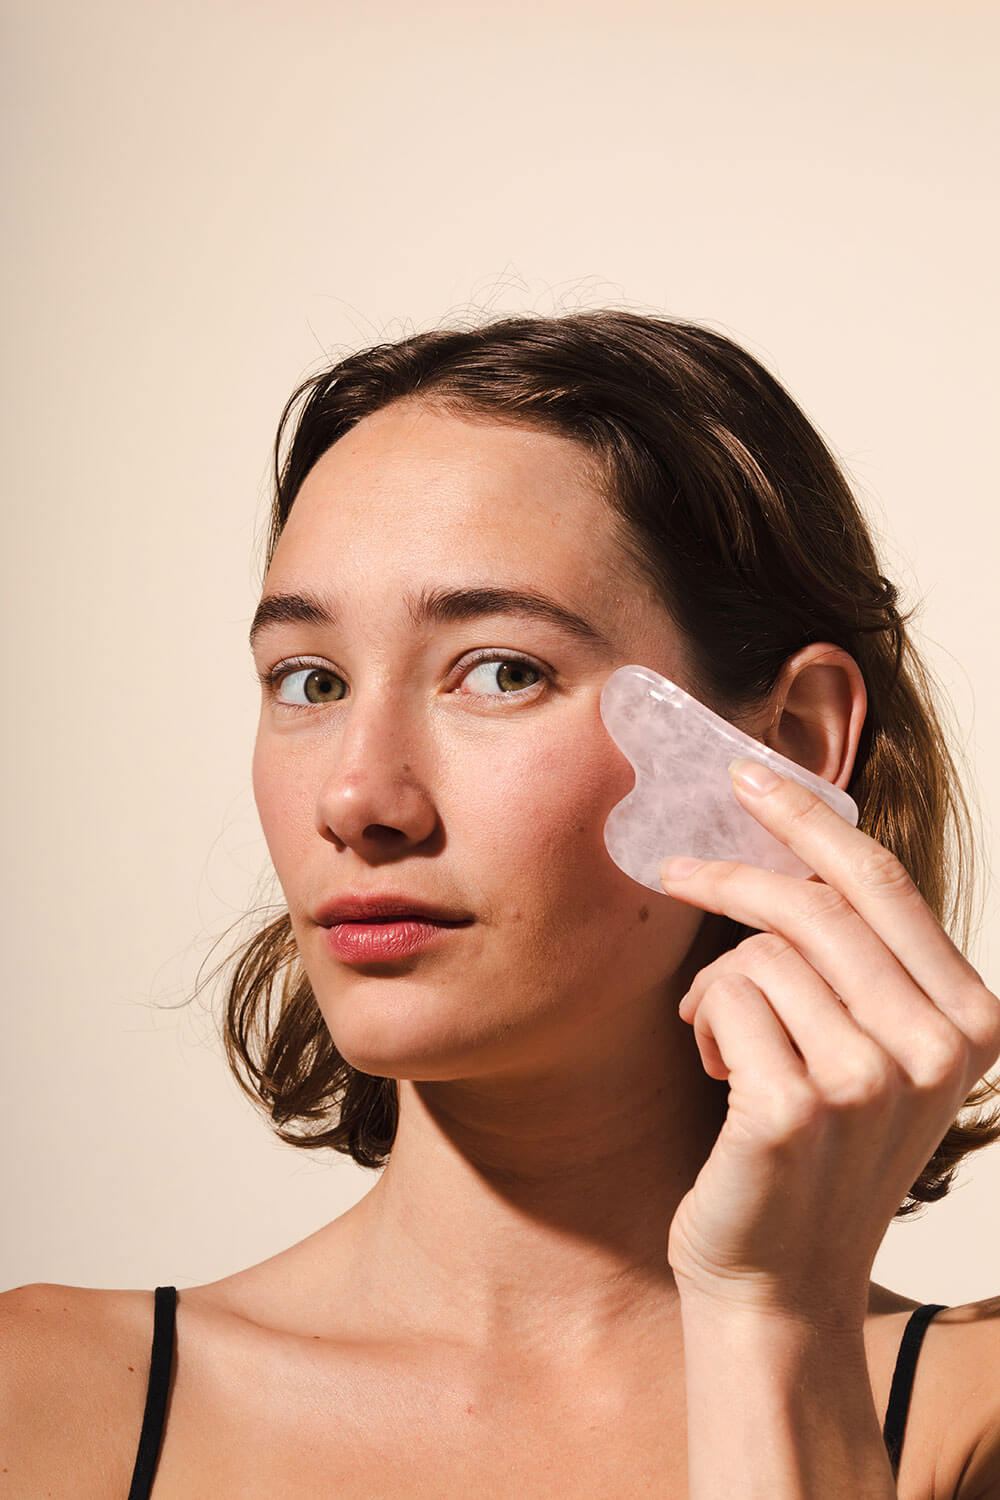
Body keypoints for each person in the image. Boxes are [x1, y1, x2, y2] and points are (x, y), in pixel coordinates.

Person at [3, 310, 1000, 1497]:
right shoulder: (38, 1404)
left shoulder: (971, 1422)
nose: (358, 797)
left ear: (782, 742)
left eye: (502, 671)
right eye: (308, 681)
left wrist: (772, 1323)